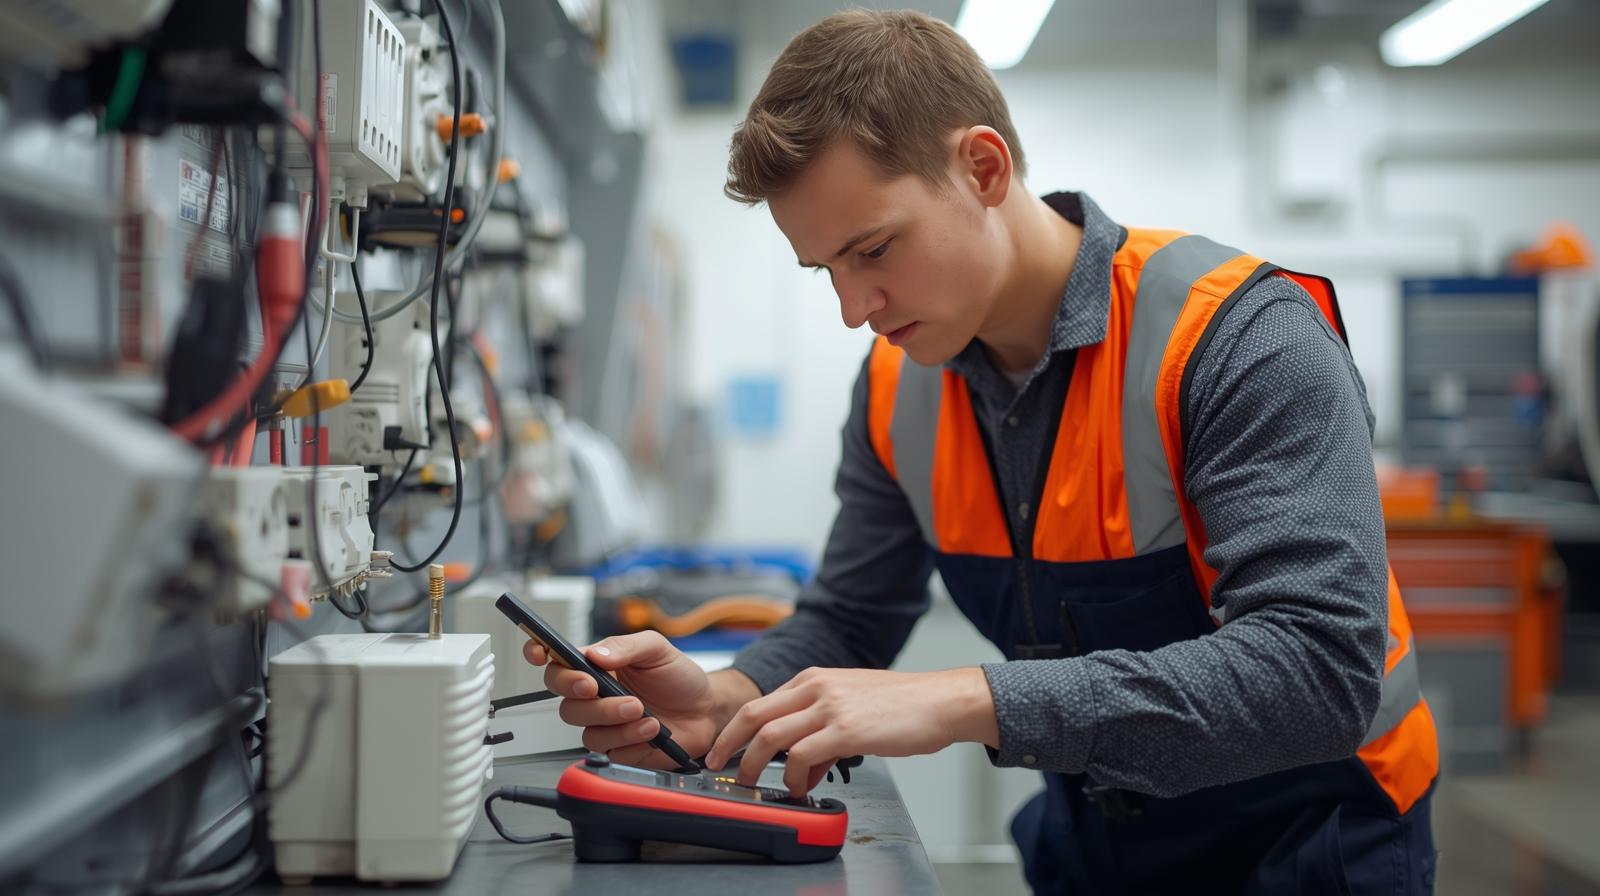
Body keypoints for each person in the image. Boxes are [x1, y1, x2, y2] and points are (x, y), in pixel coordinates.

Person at [525, 9, 1438, 893]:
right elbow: (851, 617)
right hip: (1099, 841)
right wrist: (727, 698)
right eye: (827, 271)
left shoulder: (1235, 342)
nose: (856, 309)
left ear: (984, 168)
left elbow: (1318, 670)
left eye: (874, 249)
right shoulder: (896, 388)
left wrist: (971, 698)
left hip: (1313, 838)